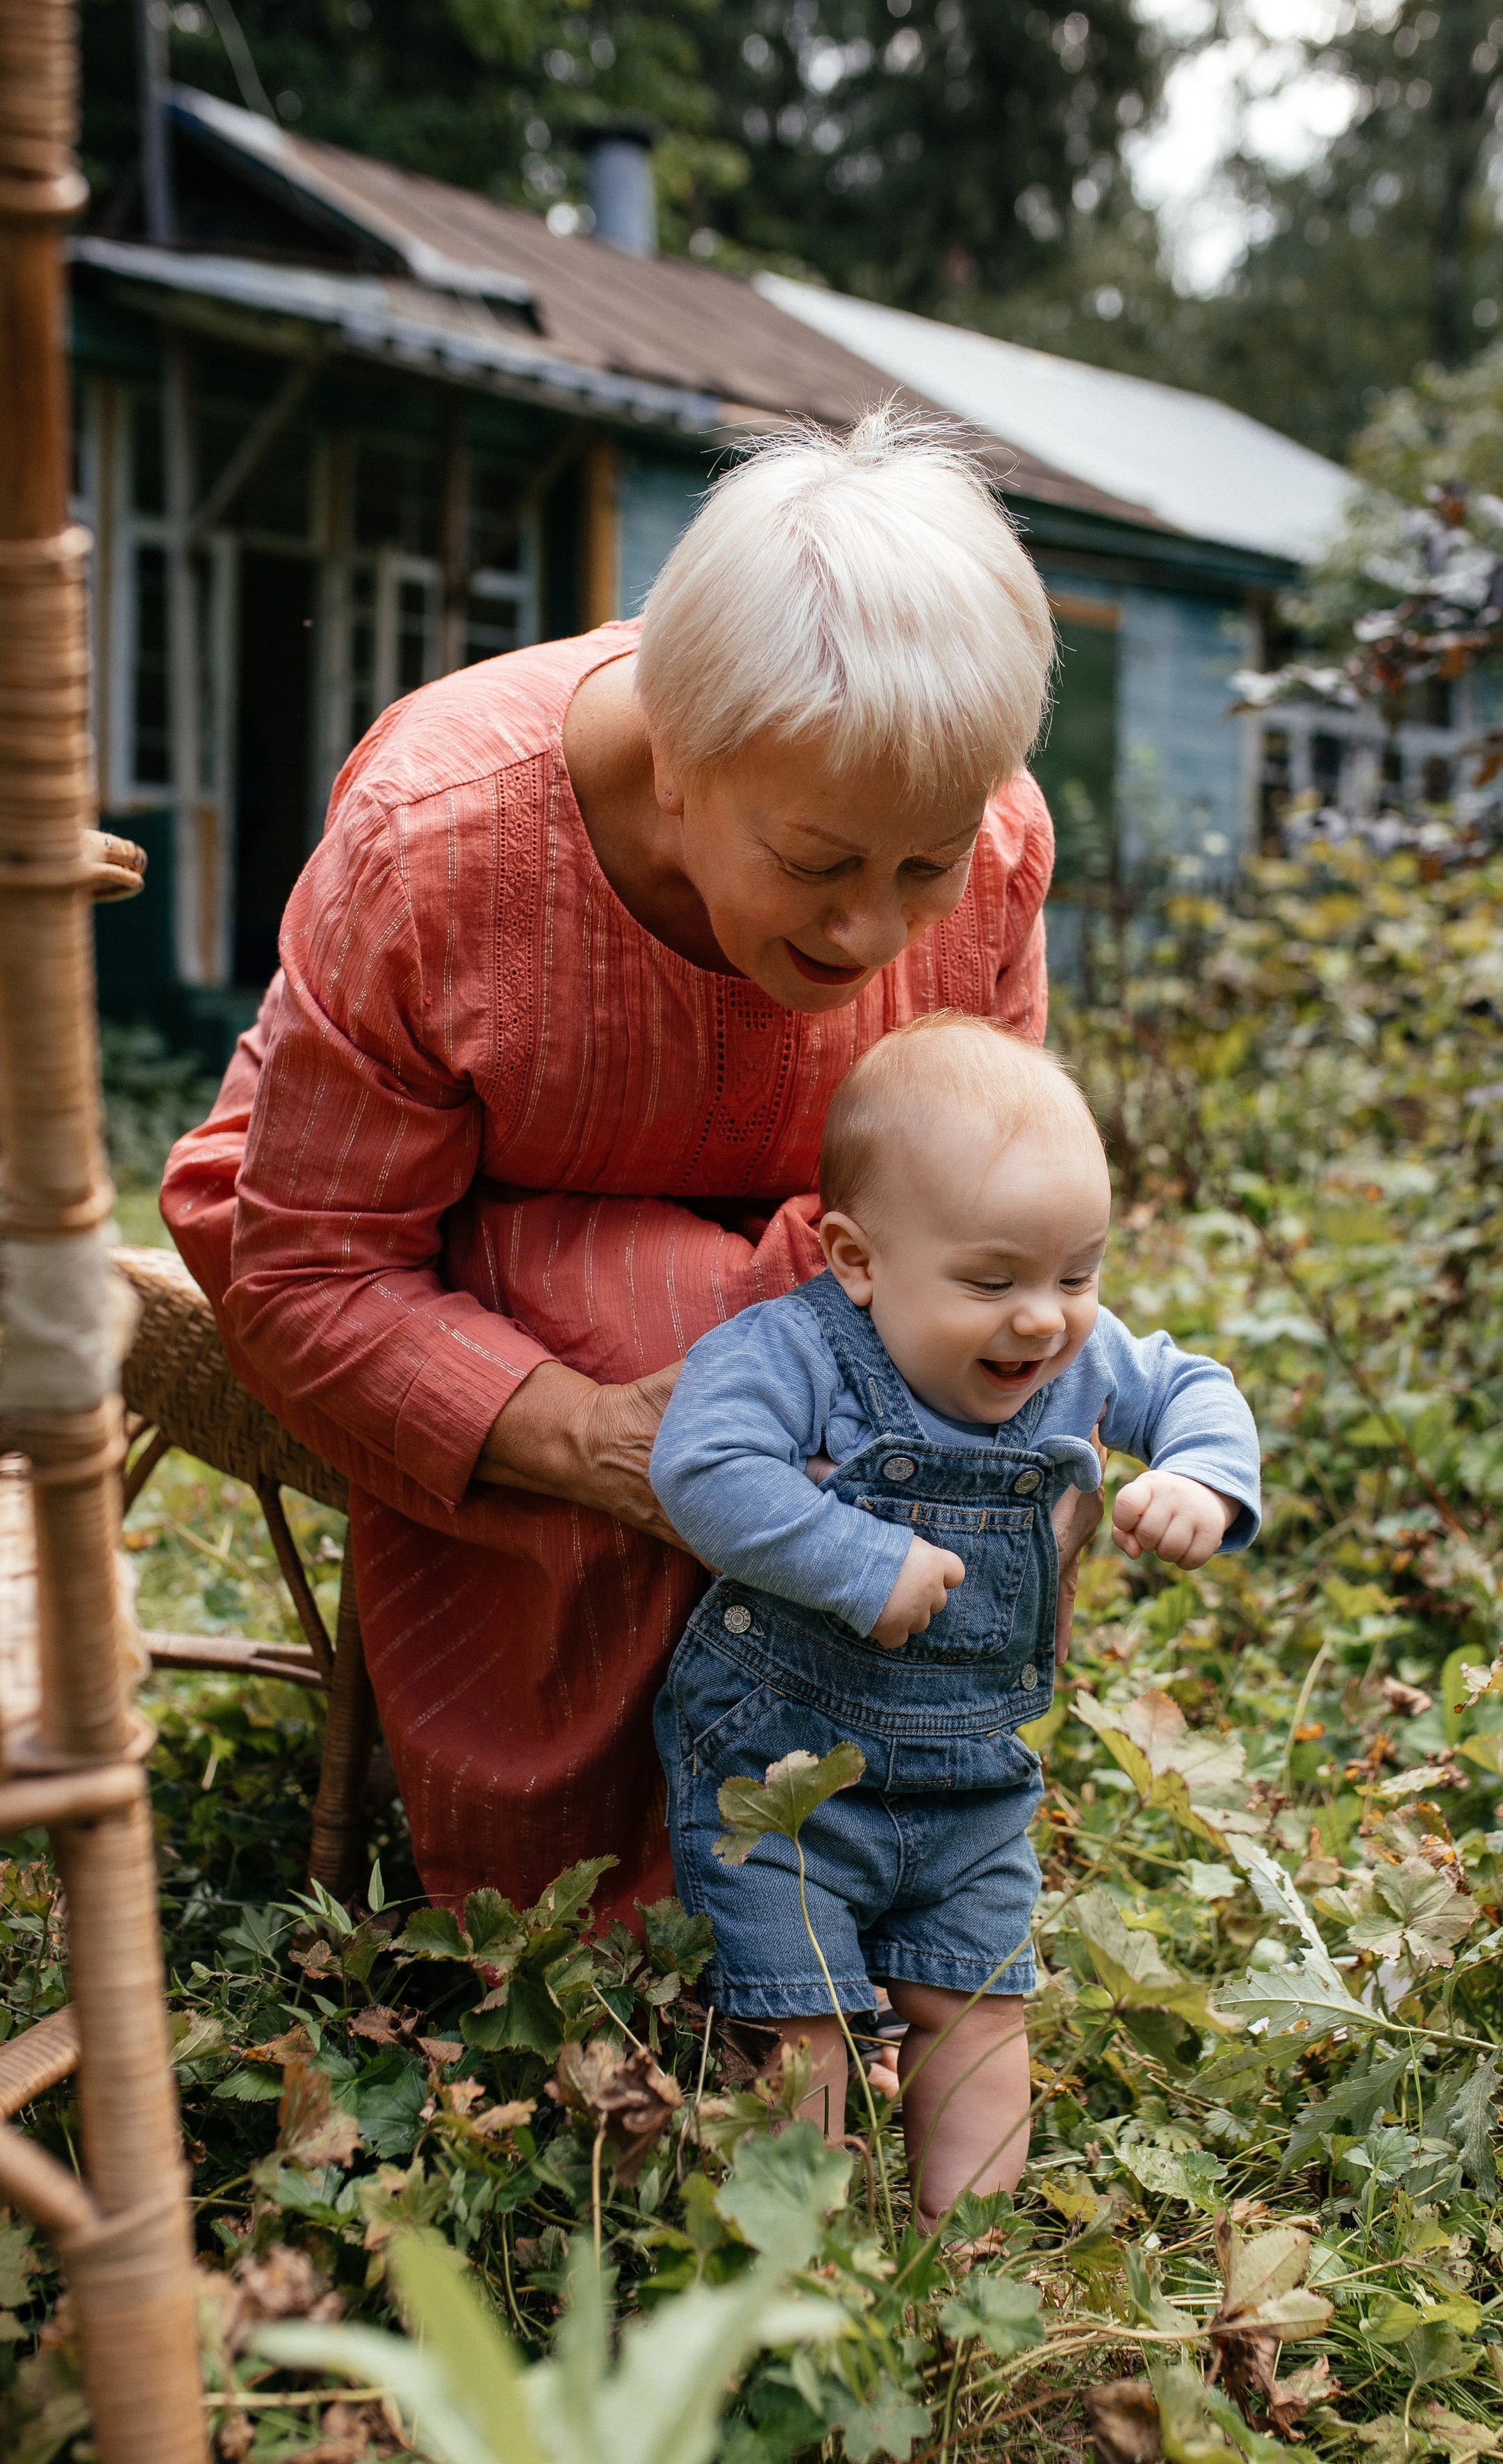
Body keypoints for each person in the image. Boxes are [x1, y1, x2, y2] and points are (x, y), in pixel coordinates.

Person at [161, 411, 1078, 1926]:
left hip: (791, 1225)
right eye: (815, 862)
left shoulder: (982, 832)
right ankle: (606, 1898)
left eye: (921, 868)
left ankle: (872, 1832)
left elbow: (979, 1192)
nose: (870, 934)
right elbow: (315, 1260)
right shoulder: (434, 844)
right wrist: (609, 1438)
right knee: (671, 1340)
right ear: (672, 766)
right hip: (417, 1215)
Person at [650, 1016, 1261, 2231]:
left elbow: (1195, 1384)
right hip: (787, 1772)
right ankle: (798, 2258)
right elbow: (700, 1464)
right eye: (993, 1282)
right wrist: (856, 1556)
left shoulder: (1074, 1364)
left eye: (1076, 1276)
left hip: (978, 1786)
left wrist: (1201, 1473)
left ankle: (956, 2263)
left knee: (981, 2015)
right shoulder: (795, 1354)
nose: (1043, 1320)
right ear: (858, 1258)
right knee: (800, 2017)